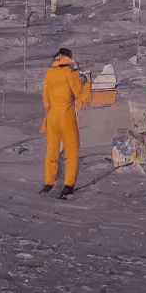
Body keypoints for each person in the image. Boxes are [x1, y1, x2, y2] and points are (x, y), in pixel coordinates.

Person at [39, 48, 92, 198]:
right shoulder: (70, 73)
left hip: (51, 117)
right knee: (71, 152)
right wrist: (87, 82)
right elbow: (81, 94)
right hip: (66, 117)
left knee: (52, 151)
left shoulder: (49, 73)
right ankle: (68, 186)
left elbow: (45, 99)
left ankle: (48, 182)